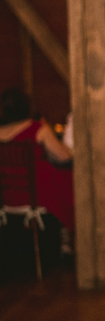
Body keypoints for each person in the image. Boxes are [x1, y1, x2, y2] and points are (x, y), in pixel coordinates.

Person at [0, 87, 74, 255]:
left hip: (6, 194)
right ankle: (67, 239)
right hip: (37, 192)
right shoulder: (37, 128)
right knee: (72, 182)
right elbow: (63, 156)